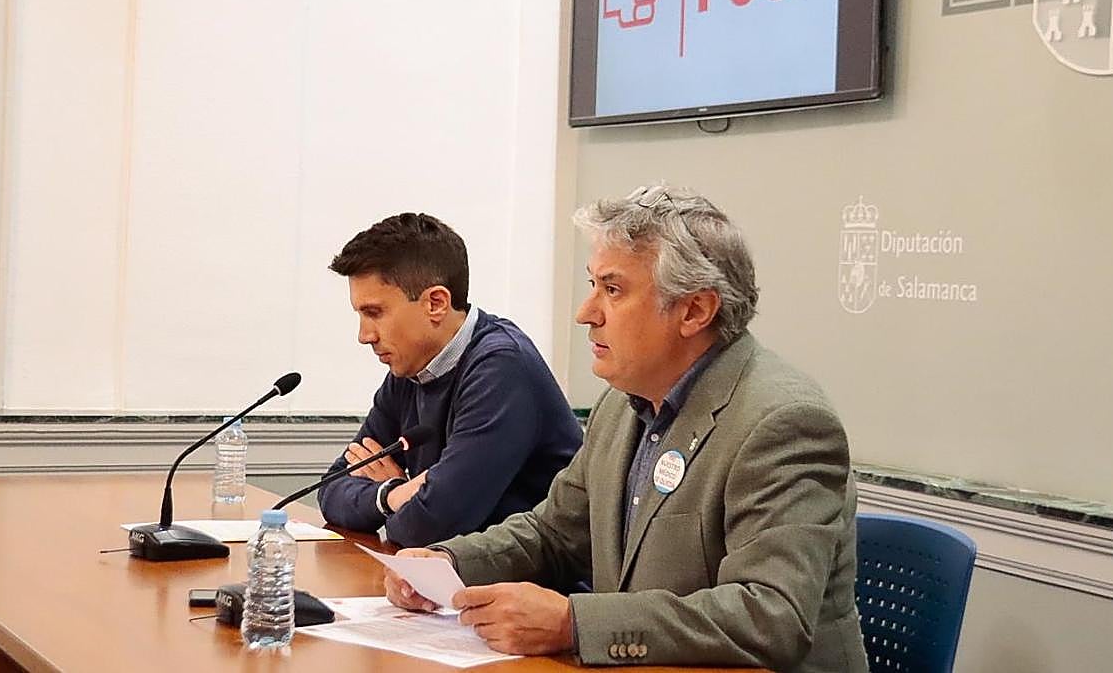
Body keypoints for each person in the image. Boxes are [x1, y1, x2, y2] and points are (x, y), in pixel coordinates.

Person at [384, 186, 868, 672]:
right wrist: (447, 562)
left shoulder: (783, 423)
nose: (585, 312)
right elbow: (554, 533)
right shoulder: (622, 403)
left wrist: (575, 623)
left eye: (612, 290)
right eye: (592, 285)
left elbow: (771, 616)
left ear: (695, 311)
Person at [317, 212, 583, 548]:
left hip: (535, 589)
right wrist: (394, 494)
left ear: (436, 303)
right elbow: (331, 489)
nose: (364, 335)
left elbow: (429, 528)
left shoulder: (502, 366)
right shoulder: (410, 368)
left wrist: (404, 501)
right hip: (452, 580)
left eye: (374, 313)